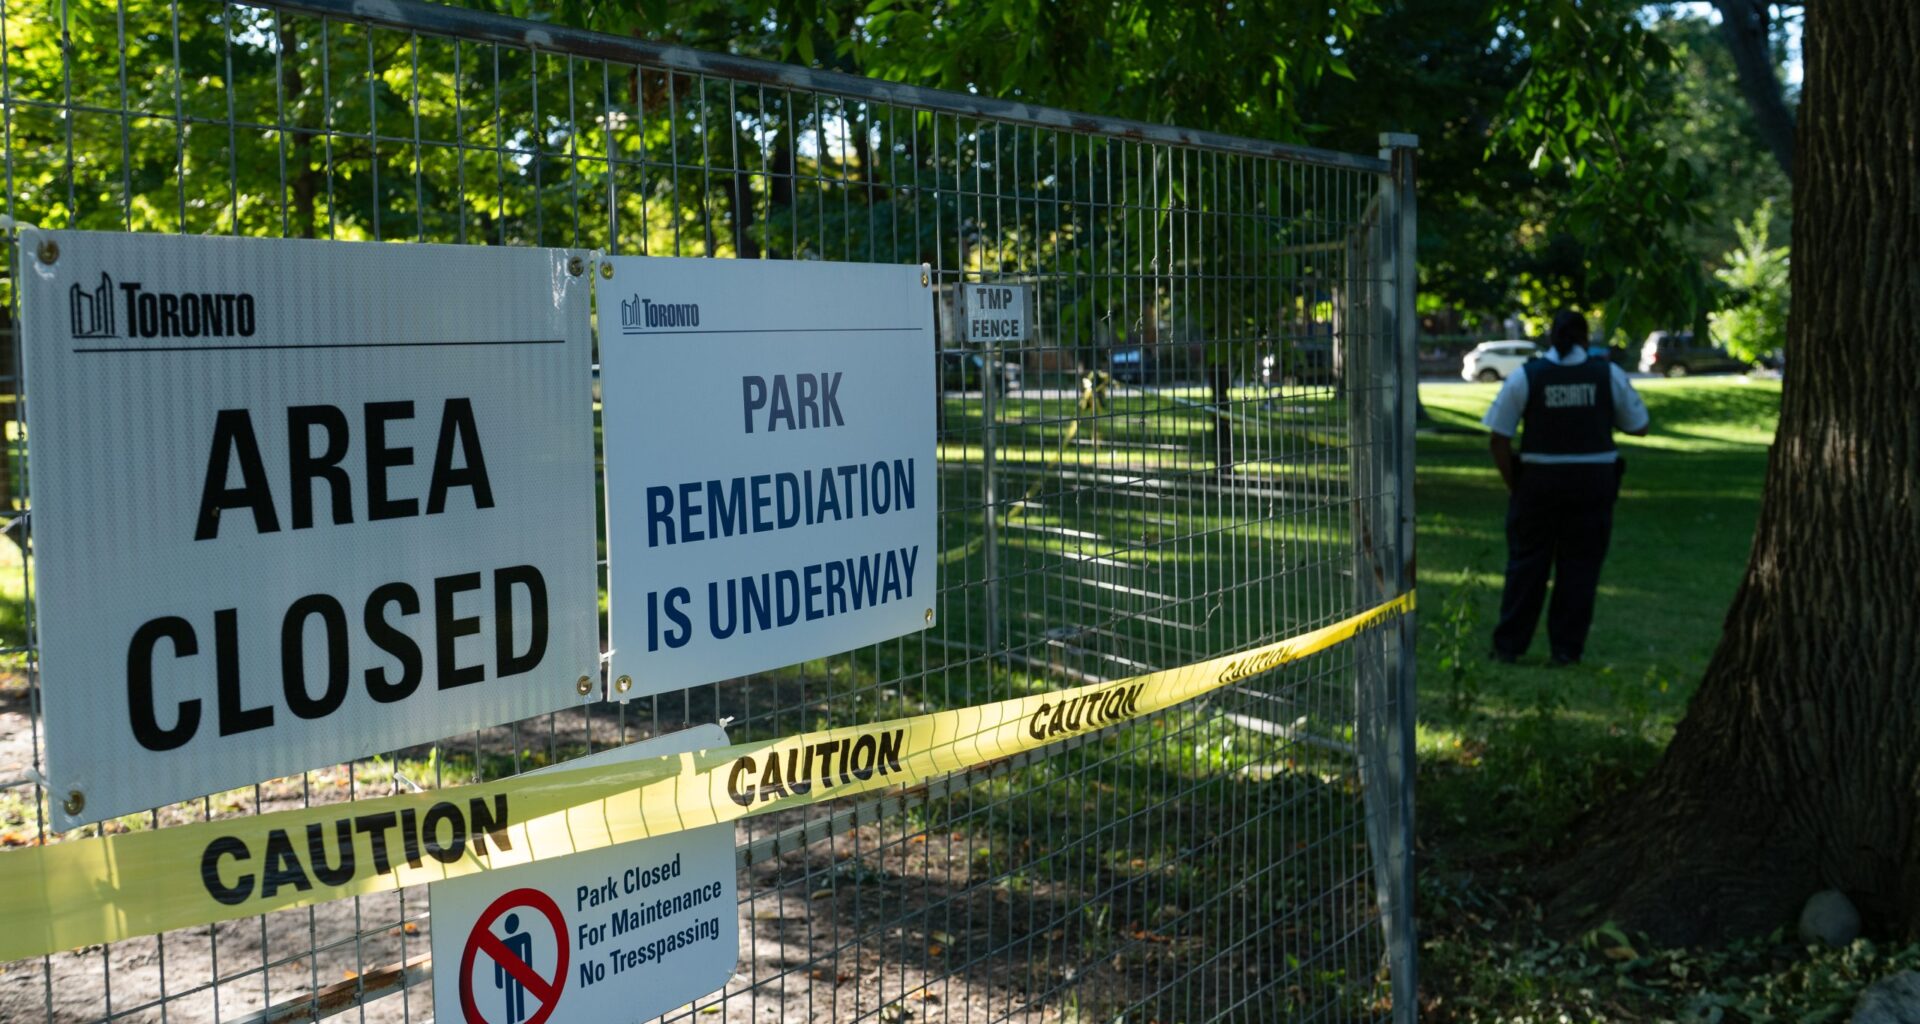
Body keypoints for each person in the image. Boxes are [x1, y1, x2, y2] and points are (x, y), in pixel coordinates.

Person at [1482, 310, 1650, 664]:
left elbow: (1498, 437)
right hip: (1593, 485)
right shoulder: (1608, 374)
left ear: (1551, 337)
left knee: (1526, 566)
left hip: (1537, 484)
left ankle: (1509, 646)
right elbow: (1639, 425)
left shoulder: (1527, 376)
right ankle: (1566, 650)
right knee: (1581, 568)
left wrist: (1516, 484)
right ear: (1585, 339)